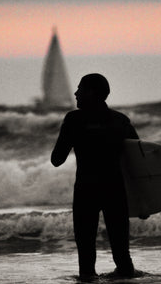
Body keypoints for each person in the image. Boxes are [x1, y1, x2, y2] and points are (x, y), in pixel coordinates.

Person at [51, 73, 139, 280]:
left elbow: (57, 159)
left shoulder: (74, 119)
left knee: (86, 258)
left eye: (80, 89)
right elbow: (138, 160)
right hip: (115, 190)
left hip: (86, 191)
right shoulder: (121, 120)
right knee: (123, 256)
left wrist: (73, 136)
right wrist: (143, 201)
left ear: (90, 92)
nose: (75, 93)